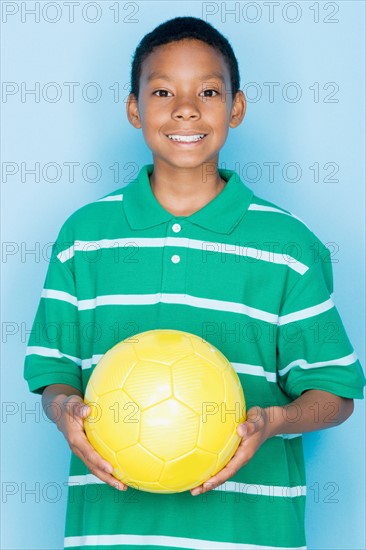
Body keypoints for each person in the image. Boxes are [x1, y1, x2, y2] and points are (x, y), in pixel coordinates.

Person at [24, 15, 365, 550]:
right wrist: (64, 408)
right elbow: (54, 373)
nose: (186, 108)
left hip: (250, 535)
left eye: (208, 91)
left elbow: (337, 393)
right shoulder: (83, 238)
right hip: (113, 534)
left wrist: (273, 421)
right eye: (162, 91)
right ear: (134, 109)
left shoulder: (288, 245)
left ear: (236, 107)